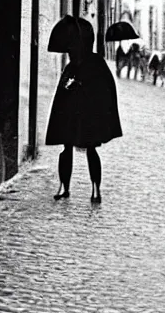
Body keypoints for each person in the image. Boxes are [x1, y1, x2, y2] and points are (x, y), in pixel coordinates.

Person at [46, 16, 122, 203]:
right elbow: (62, 91)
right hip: (71, 114)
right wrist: (69, 86)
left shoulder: (96, 63)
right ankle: (64, 186)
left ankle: (96, 189)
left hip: (88, 115)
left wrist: (83, 86)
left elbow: (105, 90)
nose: (70, 52)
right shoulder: (71, 66)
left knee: (91, 150)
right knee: (66, 149)